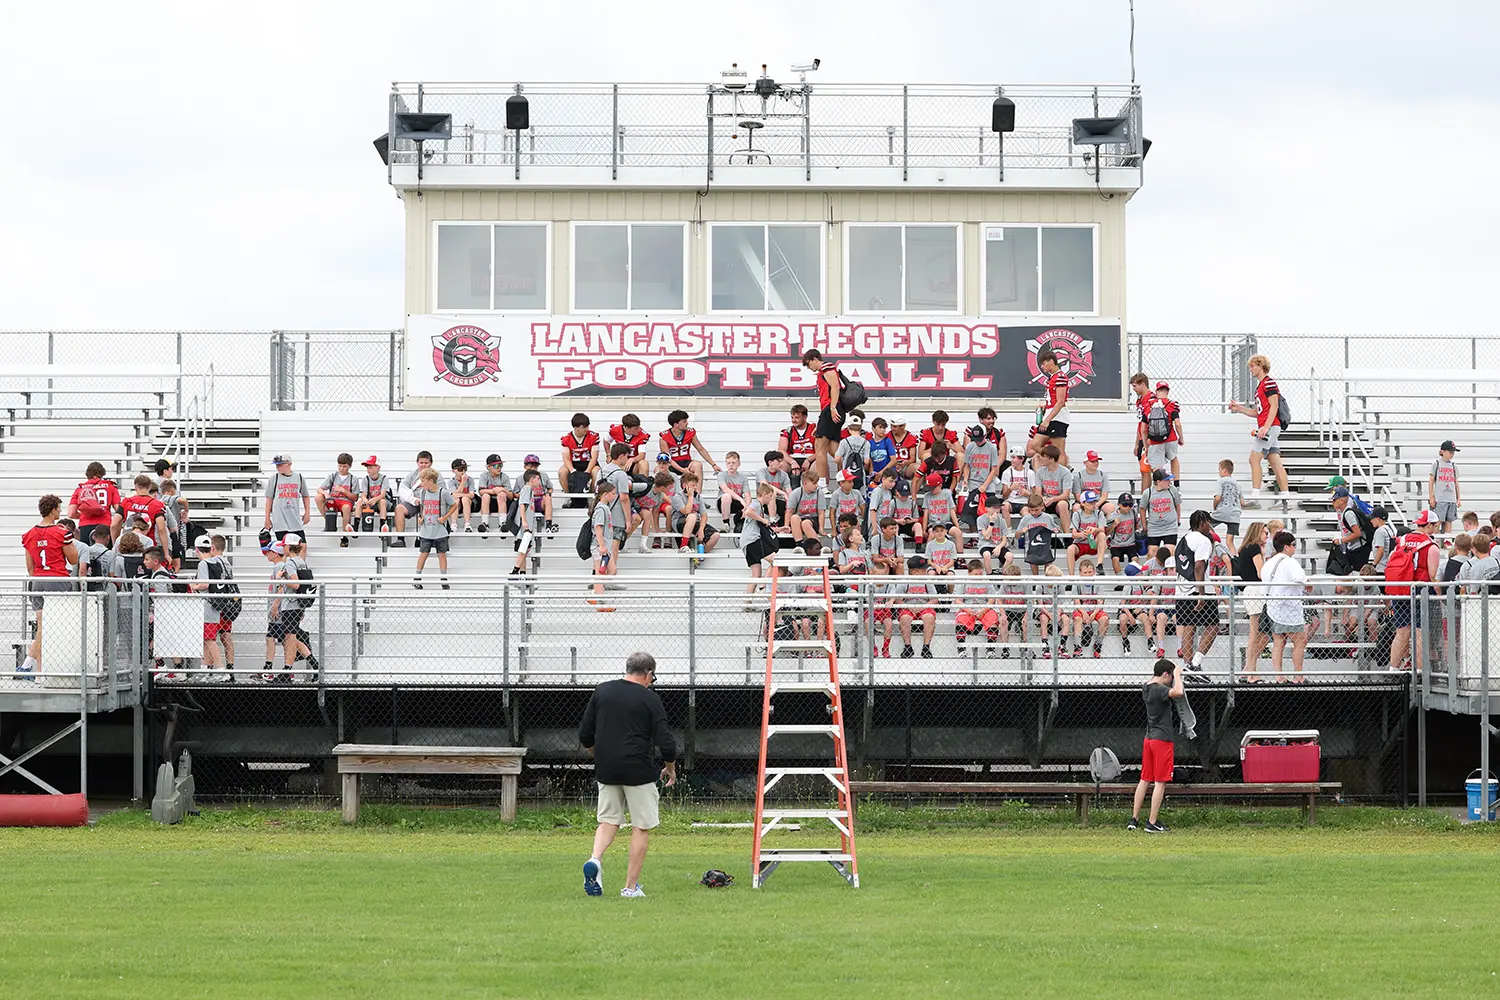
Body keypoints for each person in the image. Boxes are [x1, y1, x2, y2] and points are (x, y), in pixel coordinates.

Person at [579, 651, 678, 898]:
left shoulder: (602, 691)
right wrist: (671, 768)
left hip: (607, 768)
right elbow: (666, 741)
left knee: (608, 820)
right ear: (648, 674)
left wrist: (597, 755)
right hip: (638, 770)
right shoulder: (649, 698)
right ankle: (630, 887)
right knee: (640, 826)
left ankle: (595, 859)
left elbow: (585, 734)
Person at [20, 495, 79, 679]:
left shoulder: (29, 534)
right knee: (54, 627)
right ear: (53, 509)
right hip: (57, 580)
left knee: (42, 626)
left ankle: (38, 671)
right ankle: (37, 668)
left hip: (37, 581)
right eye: (59, 508)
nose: (60, 511)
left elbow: (30, 567)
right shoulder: (61, 532)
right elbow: (74, 559)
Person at [1128, 658, 1184, 833]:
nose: (1171, 681)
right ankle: (1152, 822)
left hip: (1149, 738)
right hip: (1162, 740)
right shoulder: (1160, 689)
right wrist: (1178, 674)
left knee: (1144, 779)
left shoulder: (1146, 686)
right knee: (1160, 781)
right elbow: (1179, 692)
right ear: (1166, 674)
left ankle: (1134, 819)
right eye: (1170, 677)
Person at [1228, 354, 1288, 504]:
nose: (1250, 369)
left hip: (1270, 426)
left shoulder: (1269, 383)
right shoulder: (1260, 386)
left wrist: (1265, 427)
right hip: (1269, 426)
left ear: (1261, 366)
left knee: (1254, 458)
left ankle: (1255, 496)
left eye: (1252, 366)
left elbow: (1274, 406)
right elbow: (1258, 412)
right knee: (1275, 461)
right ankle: (1285, 496)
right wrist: (1239, 409)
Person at [1386, 510, 1440, 673]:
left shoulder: (1401, 541)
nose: (1437, 529)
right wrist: (1439, 593)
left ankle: (1393, 668)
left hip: (1401, 590)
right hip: (1420, 591)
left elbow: (1390, 563)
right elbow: (1432, 575)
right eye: (1436, 526)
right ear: (1429, 525)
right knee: (1419, 632)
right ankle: (1420, 671)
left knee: (1401, 632)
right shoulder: (1431, 546)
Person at [1174, 510, 1220, 675]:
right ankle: (1195, 662)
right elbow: (1199, 566)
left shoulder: (1183, 539)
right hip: (1199, 590)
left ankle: (1188, 665)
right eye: (1209, 522)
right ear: (1202, 522)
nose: (1211, 526)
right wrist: (1201, 592)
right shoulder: (1203, 540)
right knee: (1213, 626)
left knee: (1189, 626)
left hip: (1181, 589)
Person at [1263, 530, 1310, 681]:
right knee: (1300, 641)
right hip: (1290, 609)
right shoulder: (1290, 562)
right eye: (1293, 545)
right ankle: (1298, 676)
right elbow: (1300, 579)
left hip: (1273, 607)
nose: (1294, 548)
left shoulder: (1268, 563)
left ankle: (1279, 676)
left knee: (1278, 642)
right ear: (1286, 547)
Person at [189, 534, 235, 681]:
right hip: (216, 604)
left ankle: (221, 670)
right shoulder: (219, 562)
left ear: (197, 550)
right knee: (206, 639)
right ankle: (205, 669)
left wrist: (193, 586)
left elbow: (204, 585)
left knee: (209, 639)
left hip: (208, 605)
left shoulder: (204, 564)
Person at [801, 348, 846, 488]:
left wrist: (832, 408)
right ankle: (848, 476)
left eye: (809, 364)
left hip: (831, 410)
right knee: (835, 451)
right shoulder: (823, 371)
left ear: (815, 359)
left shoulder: (827, 368)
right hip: (829, 411)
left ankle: (822, 484)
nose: (809, 368)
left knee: (819, 447)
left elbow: (835, 387)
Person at [412, 467, 457, 590]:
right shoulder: (423, 493)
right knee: (423, 554)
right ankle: (417, 577)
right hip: (426, 529)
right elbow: (422, 508)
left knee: (441, 554)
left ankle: (443, 578)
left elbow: (454, 505)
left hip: (439, 530)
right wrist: (420, 518)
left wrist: (445, 517)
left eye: (423, 480)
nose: (421, 483)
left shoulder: (443, 492)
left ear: (430, 481)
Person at [1027, 349, 1071, 468]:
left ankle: (1061, 473)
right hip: (1050, 414)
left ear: (1051, 362)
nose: (1042, 366)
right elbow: (1053, 400)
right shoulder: (1052, 378)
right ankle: (1052, 462)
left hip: (1058, 417)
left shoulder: (1061, 377)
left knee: (1059, 450)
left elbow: (1060, 401)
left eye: (1043, 363)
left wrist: (1047, 419)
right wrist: (1045, 407)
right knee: (1035, 444)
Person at [660, 410, 720, 484]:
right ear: (676, 424)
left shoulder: (690, 432)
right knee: (659, 469)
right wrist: (682, 470)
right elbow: (668, 458)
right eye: (684, 421)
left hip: (686, 462)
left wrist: (713, 464)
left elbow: (700, 449)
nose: (687, 423)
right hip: (672, 464)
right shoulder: (664, 437)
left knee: (697, 465)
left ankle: (697, 494)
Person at [68, 462, 122, 543]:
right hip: (105, 525)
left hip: (85, 526)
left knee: (86, 553)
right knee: (106, 554)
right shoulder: (110, 487)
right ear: (102, 473)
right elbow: (118, 509)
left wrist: (83, 514)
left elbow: (71, 513)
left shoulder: (80, 489)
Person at [1142, 381, 1184, 484]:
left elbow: (1143, 428)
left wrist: (1145, 445)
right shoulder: (1173, 404)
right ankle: (1176, 484)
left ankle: (1159, 486)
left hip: (1155, 441)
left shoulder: (1149, 405)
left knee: (1157, 466)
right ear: (1167, 391)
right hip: (1171, 439)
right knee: (1173, 458)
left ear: (1156, 391)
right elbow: (1177, 424)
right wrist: (1181, 437)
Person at [263, 455, 311, 544]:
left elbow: (306, 496)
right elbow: (269, 499)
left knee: (302, 546)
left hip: (295, 520)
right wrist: (267, 518)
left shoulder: (299, 477)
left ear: (289, 464)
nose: (278, 467)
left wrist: (307, 512)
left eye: (280, 465)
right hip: (280, 521)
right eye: (277, 465)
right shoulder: (274, 478)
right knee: (284, 548)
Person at [317, 453, 360, 545]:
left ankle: (344, 535)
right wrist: (325, 494)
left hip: (345, 501)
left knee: (346, 508)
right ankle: (330, 523)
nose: (341, 468)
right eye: (340, 466)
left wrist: (344, 491)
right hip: (333, 500)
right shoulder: (333, 476)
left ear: (350, 466)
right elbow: (319, 489)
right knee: (318, 497)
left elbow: (355, 498)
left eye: (344, 466)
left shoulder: (353, 479)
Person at [588, 482, 618, 612]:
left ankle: (596, 593)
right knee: (601, 573)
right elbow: (598, 527)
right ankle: (599, 600)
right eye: (612, 493)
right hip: (599, 546)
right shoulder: (601, 509)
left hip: (604, 545)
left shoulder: (604, 507)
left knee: (611, 571)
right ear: (605, 494)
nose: (614, 496)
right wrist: (601, 546)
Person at [119, 474, 170, 547]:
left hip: (127, 545)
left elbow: (114, 524)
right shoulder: (157, 504)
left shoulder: (126, 502)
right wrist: (166, 553)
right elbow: (161, 528)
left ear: (135, 487)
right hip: (147, 545)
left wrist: (116, 542)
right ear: (149, 487)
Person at [560, 412, 601, 500]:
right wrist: (572, 471)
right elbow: (566, 458)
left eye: (587, 426)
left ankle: (591, 496)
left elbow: (594, 457)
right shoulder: (566, 438)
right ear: (576, 428)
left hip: (588, 463)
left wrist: (587, 471)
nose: (587, 429)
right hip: (574, 463)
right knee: (562, 471)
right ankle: (570, 496)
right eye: (584, 427)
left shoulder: (593, 436)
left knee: (596, 471)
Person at [1141, 470, 1181, 557]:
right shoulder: (1148, 493)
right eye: (1166, 480)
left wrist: (1178, 520)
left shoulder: (1172, 490)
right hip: (1154, 528)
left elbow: (1177, 505)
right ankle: (1151, 570)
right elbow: (1142, 509)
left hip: (1170, 527)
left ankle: (1169, 570)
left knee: (1170, 552)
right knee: (1152, 553)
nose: (1169, 482)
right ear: (1158, 482)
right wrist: (1144, 525)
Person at [355, 456, 397, 535]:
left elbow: (383, 495)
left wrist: (374, 500)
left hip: (383, 503)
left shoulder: (384, 478)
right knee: (360, 502)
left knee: (382, 501)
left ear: (378, 467)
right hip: (371, 503)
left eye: (370, 467)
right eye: (367, 467)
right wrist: (365, 500)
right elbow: (363, 494)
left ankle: (382, 525)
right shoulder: (365, 479)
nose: (368, 469)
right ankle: (356, 527)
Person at [474, 455, 513, 534]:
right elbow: (481, 491)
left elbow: (511, 496)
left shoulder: (504, 477)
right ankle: (485, 523)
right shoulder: (484, 476)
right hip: (490, 504)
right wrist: (495, 491)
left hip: (503, 503)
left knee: (501, 494)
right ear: (488, 467)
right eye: (496, 466)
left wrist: (502, 490)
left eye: (501, 465)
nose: (499, 468)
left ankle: (502, 523)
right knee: (485, 495)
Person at [1429, 440, 1461, 532]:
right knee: (1438, 520)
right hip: (1440, 498)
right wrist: (1431, 497)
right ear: (1443, 451)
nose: (1452, 454)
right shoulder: (1437, 464)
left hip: (1451, 497)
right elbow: (1431, 481)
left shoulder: (1453, 466)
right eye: (1450, 452)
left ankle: (1447, 541)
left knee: (1449, 521)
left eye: (1453, 452)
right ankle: (1436, 539)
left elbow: (1456, 483)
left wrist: (1458, 498)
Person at [779, 404, 818, 478]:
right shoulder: (788, 431)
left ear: (805, 417)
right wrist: (792, 462)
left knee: (820, 464)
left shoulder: (814, 430)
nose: (794, 420)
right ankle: (782, 489)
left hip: (811, 458)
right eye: (792, 417)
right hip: (793, 458)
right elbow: (781, 451)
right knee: (780, 465)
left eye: (797, 417)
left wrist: (808, 460)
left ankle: (819, 489)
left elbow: (820, 450)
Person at [1211, 460, 1243, 550]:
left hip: (1222, 511)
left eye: (1219, 470)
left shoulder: (1220, 481)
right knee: (1230, 542)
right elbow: (1242, 503)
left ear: (1224, 470)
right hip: (1235, 514)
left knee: (1206, 526)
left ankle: (1214, 540)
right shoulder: (1238, 484)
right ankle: (1235, 560)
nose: (1219, 472)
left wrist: (1215, 507)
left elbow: (1218, 497)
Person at [718, 451, 749, 533]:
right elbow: (725, 489)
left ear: (739, 463)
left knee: (750, 505)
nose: (731, 465)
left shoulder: (743, 477)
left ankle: (739, 527)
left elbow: (747, 495)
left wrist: (747, 507)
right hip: (723, 502)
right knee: (727, 496)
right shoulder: (722, 475)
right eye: (728, 463)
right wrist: (741, 500)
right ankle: (726, 524)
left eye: (733, 463)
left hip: (737, 502)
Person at [446, 459, 475, 532]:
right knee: (456, 500)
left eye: (465, 468)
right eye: (460, 469)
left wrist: (461, 495)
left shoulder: (470, 479)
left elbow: (472, 495)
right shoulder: (451, 481)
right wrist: (463, 482)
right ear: (453, 471)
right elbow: (453, 495)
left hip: (468, 504)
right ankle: (453, 524)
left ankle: (467, 524)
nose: (463, 471)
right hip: (457, 505)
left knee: (464, 499)